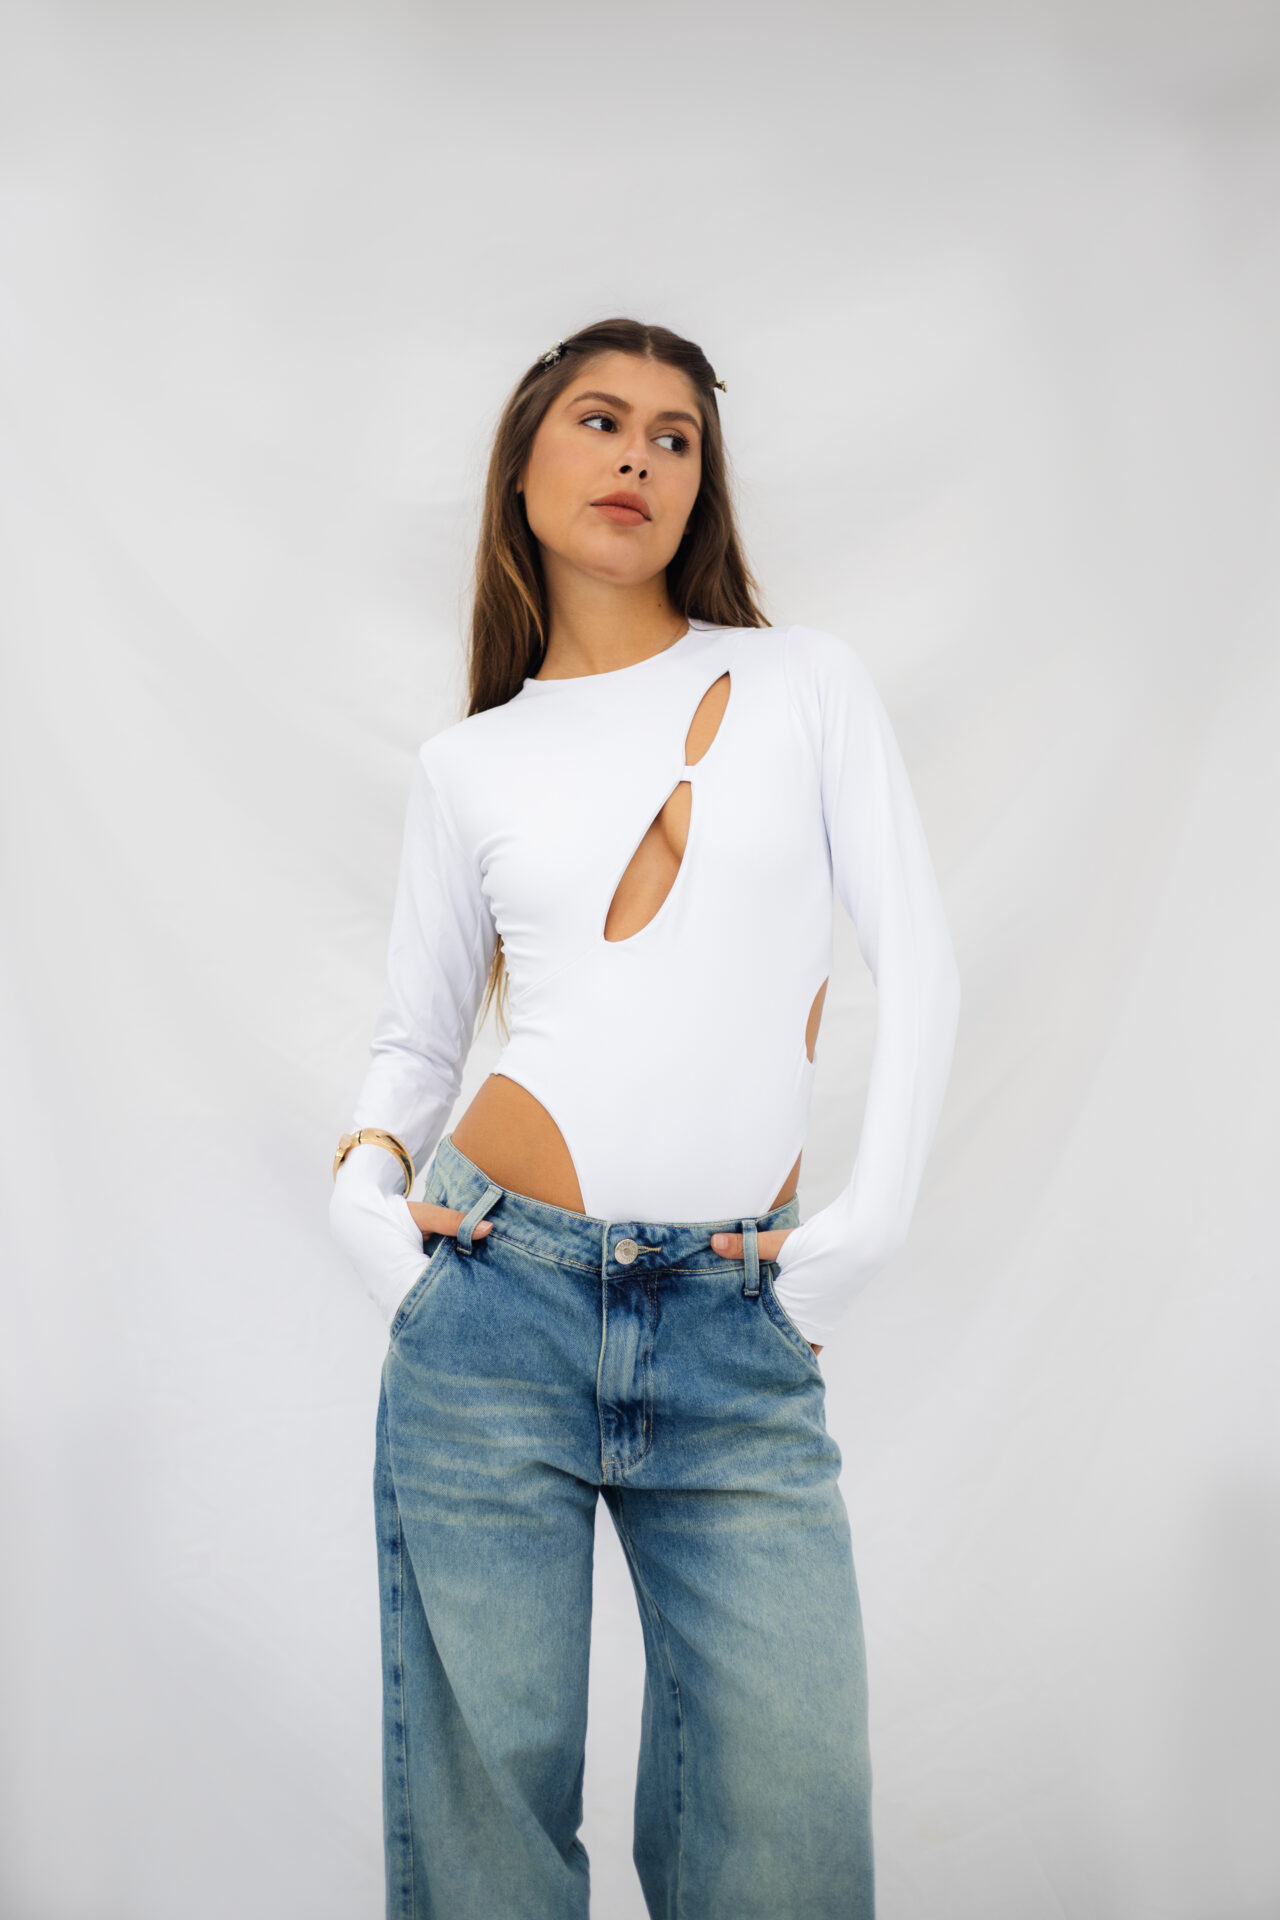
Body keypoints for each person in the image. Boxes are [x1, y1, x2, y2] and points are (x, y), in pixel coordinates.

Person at [329, 315, 961, 1920]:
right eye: (602, 421)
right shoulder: (470, 764)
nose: (639, 456)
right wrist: (365, 1201)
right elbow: (415, 1042)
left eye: (676, 436)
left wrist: (864, 1234)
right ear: (523, 467)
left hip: (738, 1324)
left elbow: (922, 959)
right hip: (495, 1311)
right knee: (485, 1846)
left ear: (702, 484)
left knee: (790, 1832)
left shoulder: (805, 681)